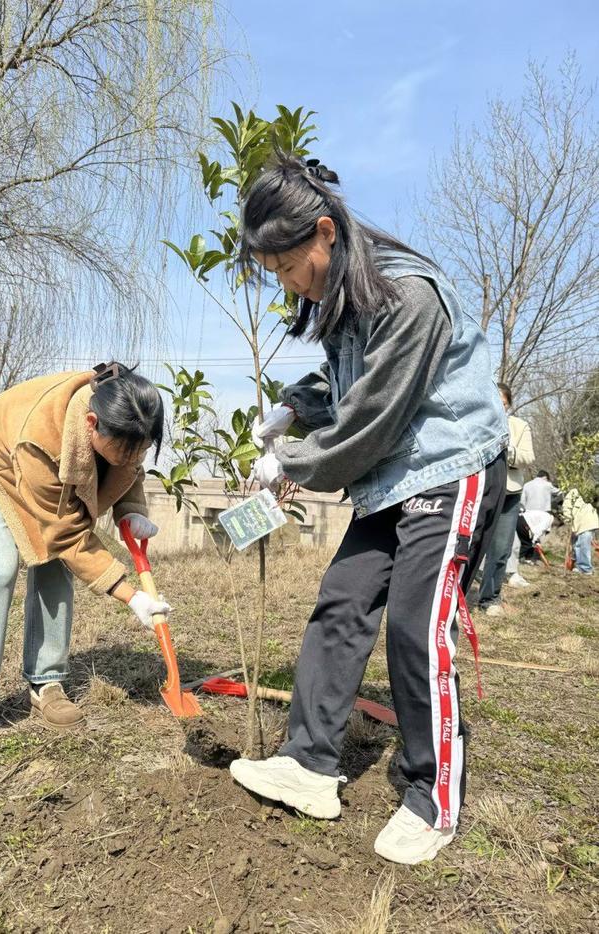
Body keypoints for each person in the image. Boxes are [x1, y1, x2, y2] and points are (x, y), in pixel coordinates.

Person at [229, 153, 508, 865]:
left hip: (450, 466)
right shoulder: (345, 301)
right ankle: (309, 763)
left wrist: (287, 461)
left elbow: (372, 419)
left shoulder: (409, 296)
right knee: (342, 601)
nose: (290, 285)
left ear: (324, 233)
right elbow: (348, 383)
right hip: (391, 475)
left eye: (290, 269)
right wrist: (294, 407)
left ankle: (432, 798)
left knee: (416, 628)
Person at [0, 363, 170, 749]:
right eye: (126, 450)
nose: (133, 456)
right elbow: (67, 534)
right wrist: (132, 596)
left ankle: (45, 681)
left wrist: (131, 510)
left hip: (39, 474)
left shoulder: (124, 410)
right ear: (92, 423)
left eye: (142, 448)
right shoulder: (41, 440)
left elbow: (128, 467)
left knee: (55, 566)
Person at [477, 384, 535, 610]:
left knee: (501, 550)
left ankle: (490, 598)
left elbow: (528, 458)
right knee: (469, 545)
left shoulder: (520, 426)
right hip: (479, 491)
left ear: (509, 405)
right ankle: (454, 599)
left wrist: (506, 448)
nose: (499, 409)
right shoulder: (476, 423)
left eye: (503, 404)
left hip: (509, 494)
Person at [562, 488, 599, 575]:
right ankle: (580, 567)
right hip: (586, 522)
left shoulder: (573, 492)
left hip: (585, 522)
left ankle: (585, 569)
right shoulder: (588, 493)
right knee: (578, 545)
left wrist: (567, 519)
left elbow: (566, 507)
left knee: (583, 546)